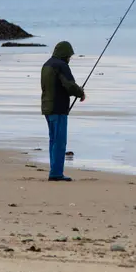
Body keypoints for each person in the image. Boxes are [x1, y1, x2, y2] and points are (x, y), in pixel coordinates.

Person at [41, 41, 85, 182]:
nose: (69, 59)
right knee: (60, 142)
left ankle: (54, 170)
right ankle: (56, 173)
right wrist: (80, 93)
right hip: (58, 108)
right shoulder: (61, 66)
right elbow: (69, 85)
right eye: (69, 56)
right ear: (65, 55)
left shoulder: (46, 65)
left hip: (47, 107)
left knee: (53, 140)